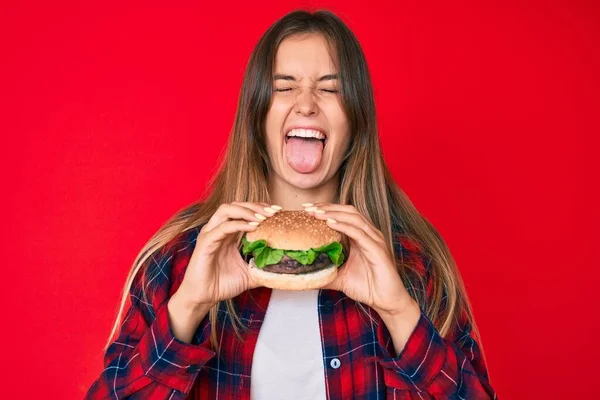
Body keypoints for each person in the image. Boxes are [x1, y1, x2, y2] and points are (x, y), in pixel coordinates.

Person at [86, 9, 497, 400]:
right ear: (258, 114)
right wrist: (189, 306)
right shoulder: (181, 260)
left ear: (356, 120)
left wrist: (399, 312)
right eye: (284, 87)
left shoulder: (412, 265)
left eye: (330, 88)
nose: (306, 103)